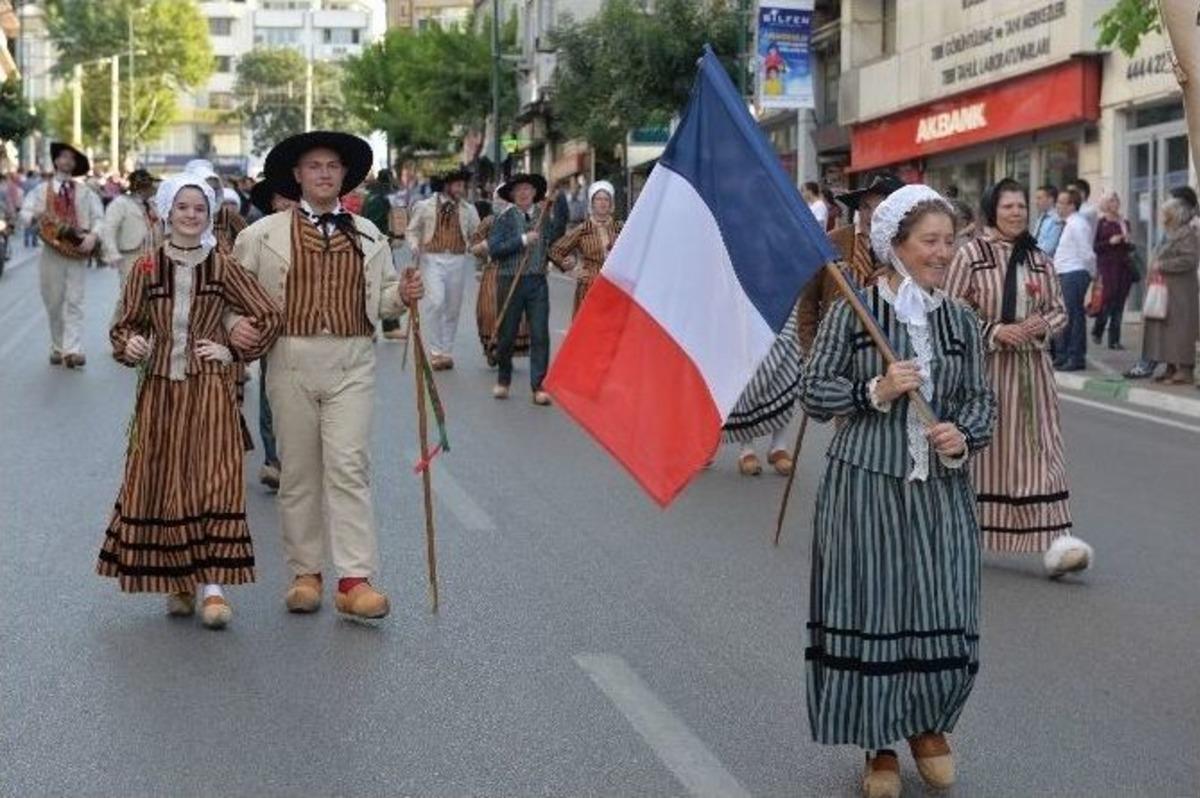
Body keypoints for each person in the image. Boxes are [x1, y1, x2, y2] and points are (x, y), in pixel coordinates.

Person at [799, 185, 996, 798]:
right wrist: (875, 392)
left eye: (949, 240)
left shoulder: (959, 318)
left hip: (940, 490)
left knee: (942, 604)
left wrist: (960, 437)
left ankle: (928, 727)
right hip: (867, 486)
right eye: (930, 241)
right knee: (876, 608)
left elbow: (980, 402)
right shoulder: (854, 312)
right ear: (896, 245)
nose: (943, 252)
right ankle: (878, 744)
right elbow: (814, 391)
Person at [229, 131, 423, 620]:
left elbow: (382, 302)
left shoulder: (369, 235)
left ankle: (355, 579)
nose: (322, 173)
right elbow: (229, 296)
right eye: (313, 166)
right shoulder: (261, 235)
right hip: (289, 359)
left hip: (351, 359)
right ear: (297, 175)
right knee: (298, 473)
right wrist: (237, 330)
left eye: (332, 165)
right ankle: (306, 574)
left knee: (348, 466)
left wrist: (404, 293)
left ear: (344, 175)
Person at [98, 173, 282, 629]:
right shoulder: (146, 266)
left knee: (214, 478)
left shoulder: (222, 265)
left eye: (199, 208)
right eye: (183, 207)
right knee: (167, 482)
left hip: (209, 389)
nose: (191, 214)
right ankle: (179, 580)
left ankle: (214, 589)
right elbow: (124, 326)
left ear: (209, 214)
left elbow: (268, 314)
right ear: (167, 210)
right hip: (160, 392)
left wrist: (233, 350)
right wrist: (132, 346)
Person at [947, 178, 1094, 577]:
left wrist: (1037, 326)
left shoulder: (1040, 259)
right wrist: (994, 330)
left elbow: (1060, 310)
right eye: (1008, 206)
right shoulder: (970, 255)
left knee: (1042, 448)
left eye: (1021, 206)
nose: (1016, 212)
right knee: (984, 452)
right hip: (986, 370)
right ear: (992, 209)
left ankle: (1055, 540)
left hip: (1033, 372)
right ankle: (962, 533)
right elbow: (952, 308)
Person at [18, 142, 105, 368]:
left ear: (75, 165)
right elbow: (25, 214)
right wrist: (34, 217)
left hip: (77, 252)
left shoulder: (86, 192)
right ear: (56, 161)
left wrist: (93, 237)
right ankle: (58, 346)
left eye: (71, 158)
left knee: (75, 301)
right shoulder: (40, 190)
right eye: (63, 157)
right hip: (50, 252)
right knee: (54, 303)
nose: (67, 161)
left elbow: (99, 218)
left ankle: (72, 350)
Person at [797, 173, 904, 355]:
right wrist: (811, 351)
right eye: (866, 207)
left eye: (881, 209)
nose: (872, 216)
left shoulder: (902, 247)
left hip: (885, 350)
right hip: (835, 348)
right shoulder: (832, 242)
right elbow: (807, 303)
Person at [487, 173, 565, 404]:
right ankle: (503, 380)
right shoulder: (504, 218)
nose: (523, 193)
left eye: (527, 189)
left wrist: (563, 262)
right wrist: (522, 240)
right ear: (512, 195)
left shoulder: (543, 216)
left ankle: (538, 386)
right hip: (510, 279)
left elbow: (551, 245)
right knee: (507, 333)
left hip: (537, 281)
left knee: (540, 333)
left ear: (534, 193)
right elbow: (494, 248)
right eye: (518, 190)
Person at [245, 176, 297, 491]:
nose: (287, 204)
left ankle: (301, 461)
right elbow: (241, 282)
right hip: (272, 331)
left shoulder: (320, 235)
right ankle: (273, 461)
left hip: (313, 335)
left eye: (293, 197)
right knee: (270, 397)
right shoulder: (256, 237)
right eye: (281, 198)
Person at [407, 167, 480, 370]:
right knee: (436, 302)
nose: (460, 188)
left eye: (462, 185)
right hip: (432, 258)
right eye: (457, 184)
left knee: (453, 307)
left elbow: (477, 234)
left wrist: (481, 249)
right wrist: (414, 245)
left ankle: (447, 352)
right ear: (446, 186)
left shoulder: (468, 209)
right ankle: (436, 350)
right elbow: (412, 230)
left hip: (457, 259)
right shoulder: (424, 206)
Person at [1126, 186, 1199, 378]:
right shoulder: (1173, 232)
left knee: (1180, 329)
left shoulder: (1187, 232)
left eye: (1167, 213)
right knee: (1166, 329)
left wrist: (1162, 265)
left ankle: (1184, 368)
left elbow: (1190, 259)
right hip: (1166, 288)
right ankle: (1171, 366)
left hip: (1180, 290)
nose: (1162, 216)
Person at [473, 187, 531, 365]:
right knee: (489, 311)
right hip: (492, 272)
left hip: (516, 271)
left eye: (505, 198)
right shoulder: (489, 221)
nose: (501, 202)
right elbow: (474, 247)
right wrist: (483, 247)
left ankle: (508, 348)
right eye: (498, 198)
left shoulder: (522, 220)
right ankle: (493, 347)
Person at [548, 179, 622, 317]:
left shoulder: (621, 228)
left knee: (612, 332)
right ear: (592, 203)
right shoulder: (582, 229)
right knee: (590, 332)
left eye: (606, 199)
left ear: (611, 203)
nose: (602, 203)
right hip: (589, 287)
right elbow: (555, 251)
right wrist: (573, 269)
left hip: (615, 287)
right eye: (598, 199)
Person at [100, 169, 161, 321]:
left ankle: (143, 331)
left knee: (151, 296)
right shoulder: (120, 203)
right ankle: (119, 330)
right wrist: (113, 253)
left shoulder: (152, 204)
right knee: (129, 295)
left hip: (152, 254)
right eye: (148, 185)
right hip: (130, 255)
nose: (151, 188)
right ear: (139, 187)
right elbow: (109, 228)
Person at [1051, 188, 1095, 371]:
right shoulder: (1068, 223)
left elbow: (1086, 253)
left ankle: (1076, 357)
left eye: (1062, 203)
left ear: (1071, 205)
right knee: (1065, 317)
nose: (1058, 206)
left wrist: (1091, 275)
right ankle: (1063, 355)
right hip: (1065, 273)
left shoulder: (1077, 224)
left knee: (1074, 317)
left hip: (1074, 273)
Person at [1091, 191, 1136, 350]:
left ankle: (1114, 340)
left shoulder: (1124, 222)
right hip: (1107, 266)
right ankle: (1098, 328)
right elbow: (1095, 247)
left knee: (1119, 302)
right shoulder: (1101, 223)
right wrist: (1110, 242)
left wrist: (1128, 241)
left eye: (1116, 200)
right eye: (1111, 201)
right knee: (1108, 299)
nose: (1114, 203)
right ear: (1105, 204)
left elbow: (1130, 247)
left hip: (1123, 266)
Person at [1032, 184, 1063, 256]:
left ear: (1050, 199)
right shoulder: (1042, 217)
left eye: (1039, 198)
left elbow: (1049, 247)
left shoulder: (1056, 219)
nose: (1036, 202)